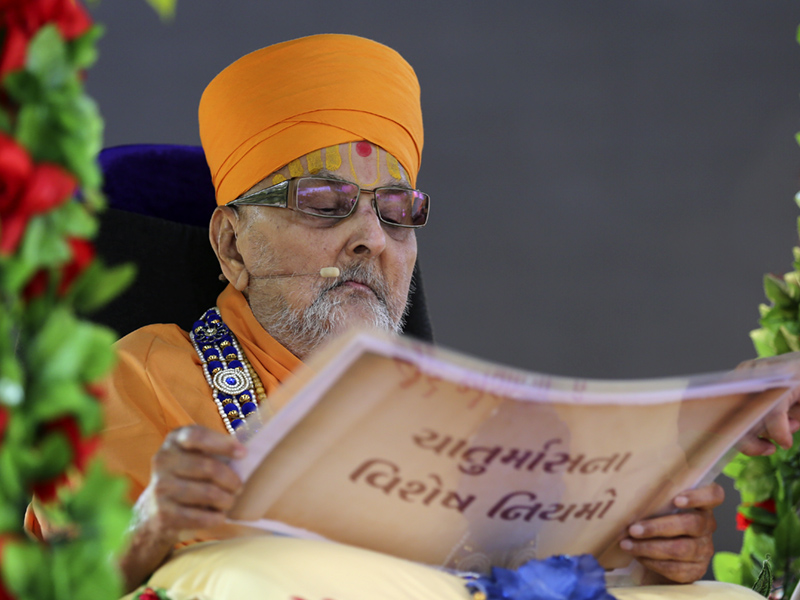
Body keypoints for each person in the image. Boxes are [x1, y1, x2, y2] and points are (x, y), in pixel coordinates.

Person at [38, 34, 798, 599]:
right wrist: (146, 529)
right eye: (325, 204)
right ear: (231, 244)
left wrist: (654, 553)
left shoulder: (471, 418)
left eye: (396, 214)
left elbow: (553, 567)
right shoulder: (130, 378)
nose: (371, 238)